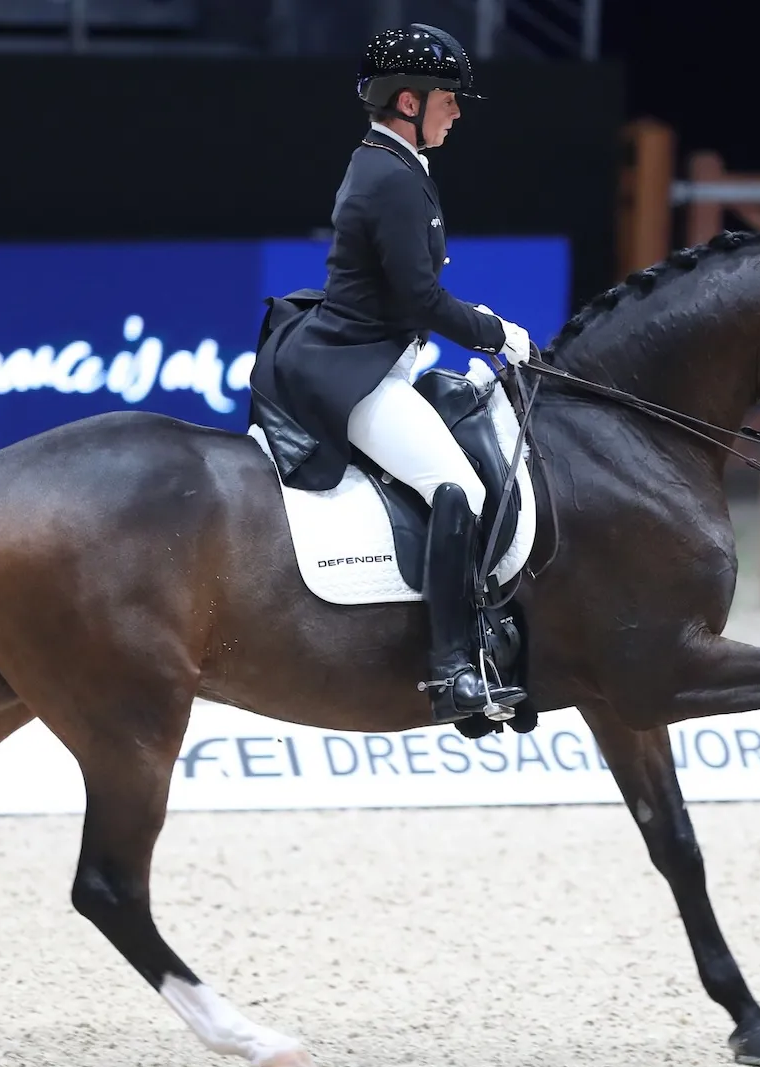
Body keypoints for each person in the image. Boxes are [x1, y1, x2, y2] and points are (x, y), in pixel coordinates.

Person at [247, 22, 531, 726]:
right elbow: (419, 300)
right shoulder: (391, 177)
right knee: (456, 487)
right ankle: (454, 669)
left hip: (373, 354)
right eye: (448, 99)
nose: (457, 111)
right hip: (355, 371)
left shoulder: (393, 165)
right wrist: (493, 332)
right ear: (409, 102)